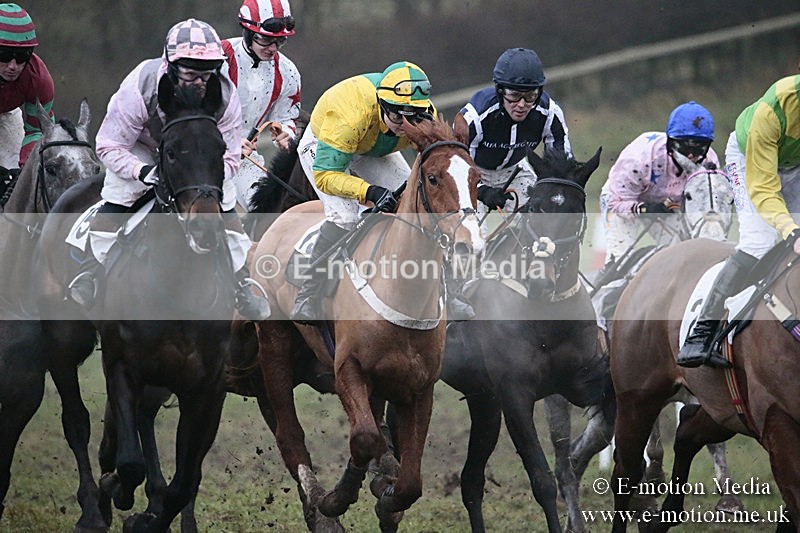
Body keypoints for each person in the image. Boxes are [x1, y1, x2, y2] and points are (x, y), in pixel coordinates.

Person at [67, 18, 270, 321]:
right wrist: (141, 172)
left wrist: (209, 181)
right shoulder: (140, 86)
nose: (200, 81)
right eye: (190, 73)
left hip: (196, 153)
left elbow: (229, 154)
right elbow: (108, 145)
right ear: (171, 66)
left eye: (207, 73)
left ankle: (241, 284)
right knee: (120, 193)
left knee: (224, 203)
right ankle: (90, 274)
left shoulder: (225, 94)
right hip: (140, 146)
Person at [289, 60, 474, 323]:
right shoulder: (348, 117)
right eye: (396, 115)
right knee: (345, 217)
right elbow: (326, 176)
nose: (403, 124)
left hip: (373, 147)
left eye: (411, 117)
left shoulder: (423, 114)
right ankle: (309, 293)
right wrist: (370, 191)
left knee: (415, 207)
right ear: (381, 105)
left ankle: (450, 291)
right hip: (326, 146)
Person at [678, 76, 800, 368]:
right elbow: (764, 190)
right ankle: (702, 332)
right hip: (750, 160)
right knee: (762, 241)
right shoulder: (774, 109)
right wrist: (791, 231)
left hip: (795, 162)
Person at [599, 101, 721, 267]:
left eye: (700, 147)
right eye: (685, 147)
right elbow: (615, 203)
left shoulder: (710, 162)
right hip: (623, 200)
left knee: (681, 260)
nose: (692, 155)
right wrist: (645, 209)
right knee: (620, 263)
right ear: (670, 142)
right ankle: (607, 284)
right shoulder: (638, 158)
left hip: (667, 206)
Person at [454, 47, 571, 217]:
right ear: (500, 90)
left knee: (540, 225)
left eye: (530, 96)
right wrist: (483, 191)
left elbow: (562, 163)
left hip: (515, 170)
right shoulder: (475, 116)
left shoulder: (550, 113)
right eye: (514, 95)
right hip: (472, 173)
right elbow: (456, 167)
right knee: (473, 239)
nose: (522, 104)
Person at [223, 0, 301, 210]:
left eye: (280, 41)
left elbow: (287, 117)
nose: (273, 49)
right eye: (266, 40)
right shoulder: (218, 59)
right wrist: (228, 142)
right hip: (200, 153)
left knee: (269, 210)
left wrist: (287, 134)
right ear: (247, 32)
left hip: (245, 159)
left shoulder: (288, 71)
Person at [0, 3, 54, 173]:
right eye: (4, 55)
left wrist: (25, 169)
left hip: (7, 112)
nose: (13, 66)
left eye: (23, 56)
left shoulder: (39, 80)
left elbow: (37, 131)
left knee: (16, 173)